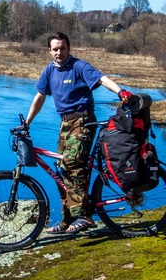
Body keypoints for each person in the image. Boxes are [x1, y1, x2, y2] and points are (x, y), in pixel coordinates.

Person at [25, 32, 132, 234]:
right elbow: (40, 97)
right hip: (64, 124)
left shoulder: (79, 66)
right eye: (55, 49)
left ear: (69, 48)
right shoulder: (49, 71)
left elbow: (101, 79)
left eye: (62, 48)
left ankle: (85, 216)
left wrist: (120, 92)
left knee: (72, 164)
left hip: (83, 121)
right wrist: (27, 123)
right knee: (60, 169)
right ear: (49, 51)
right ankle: (66, 220)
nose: (59, 52)